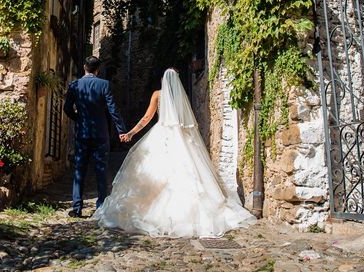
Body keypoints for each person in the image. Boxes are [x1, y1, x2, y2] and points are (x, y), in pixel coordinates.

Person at [93, 68, 256, 237]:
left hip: (161, 135)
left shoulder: (158, 94)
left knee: (155, 171)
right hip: (182, 138)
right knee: (188, 172)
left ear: (164, 80)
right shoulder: (181, 97)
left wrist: (131, 133)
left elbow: (146, 118)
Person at [64, 56, 127, 218]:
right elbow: (113, 109)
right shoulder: (104, 85)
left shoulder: (75, 85)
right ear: (97, 69)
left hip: (83, 133)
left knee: (79, 170)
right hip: (100, 133)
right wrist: (121, 130)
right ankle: (100, 207)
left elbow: (67, 108)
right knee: (101, 169)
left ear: (85, 67)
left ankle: (77, 208)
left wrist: (78, 119)